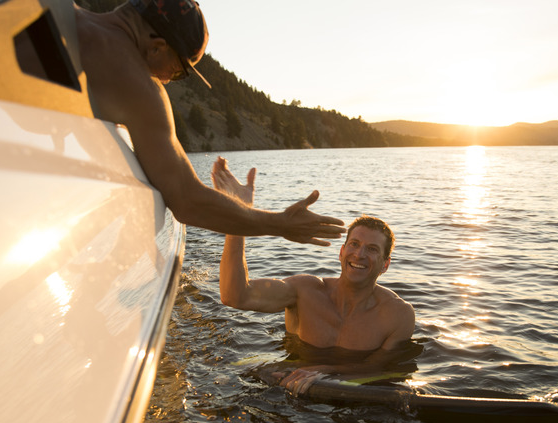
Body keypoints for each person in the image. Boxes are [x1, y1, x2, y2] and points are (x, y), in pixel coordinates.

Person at [73, 0, 344, 245]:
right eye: (177, 71)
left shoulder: (60, 11)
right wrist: (281, 224)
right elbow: (187, 200)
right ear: (157, 47)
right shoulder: (139, 86)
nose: (166, 80)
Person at [211, 157, 416, 396]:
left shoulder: (397, 315)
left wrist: (326, 371)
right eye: (354, 244)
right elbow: (234, 295)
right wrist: (239, 214)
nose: (359, 254)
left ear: (385, 265)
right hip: (283, 391)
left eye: (372, 249)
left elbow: (379, 368)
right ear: (341, 252)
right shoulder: (304, 291)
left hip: (349, 396)